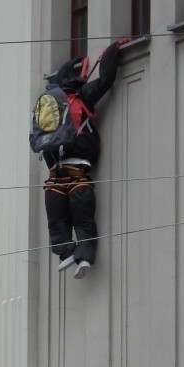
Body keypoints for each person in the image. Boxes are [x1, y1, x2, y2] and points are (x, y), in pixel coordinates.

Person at [39, 40, 126, 279]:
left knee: (57, 221)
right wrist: (112, 51)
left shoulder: (48, 103)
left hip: (54, 178)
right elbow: (106, 79)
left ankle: (65, 252)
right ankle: (84, 256)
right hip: (78, 173)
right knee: (83, 219)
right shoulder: (81, 96)